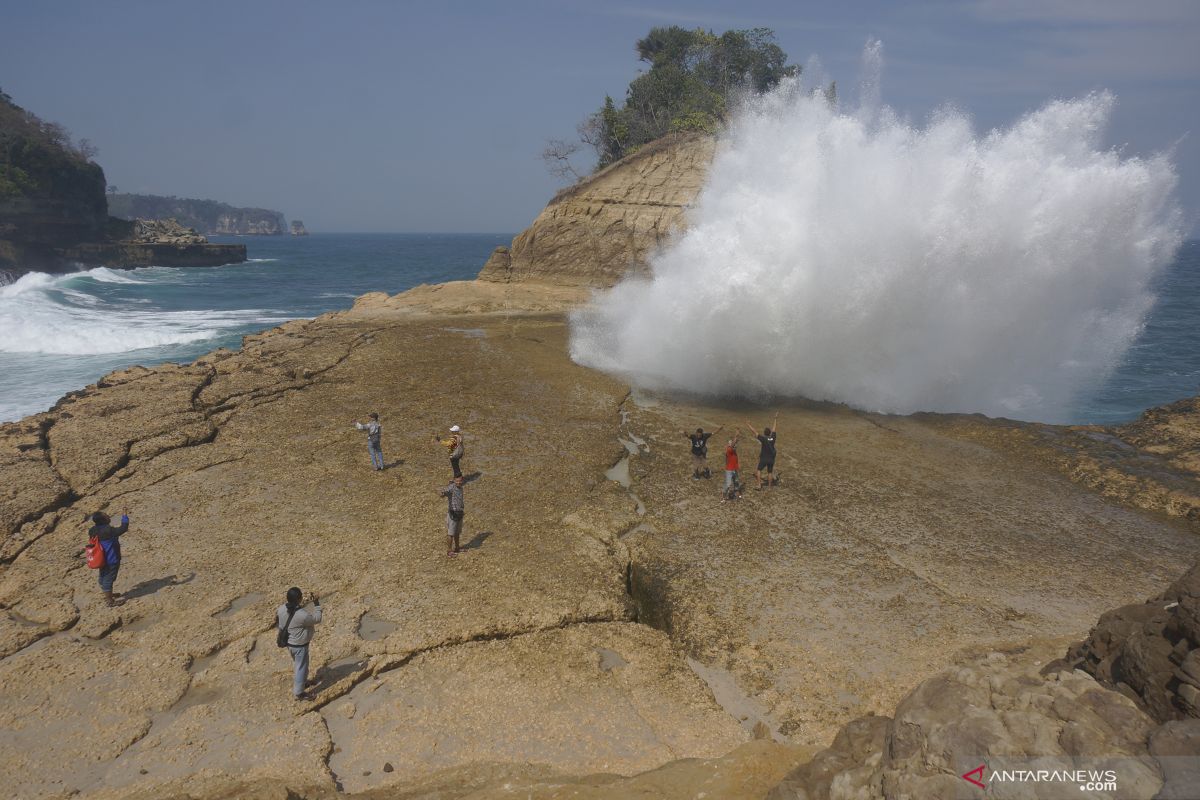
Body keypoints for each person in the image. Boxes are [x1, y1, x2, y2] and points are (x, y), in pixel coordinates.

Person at [278, 587, 323, 701]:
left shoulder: (281, 609)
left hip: (289, 643)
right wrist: (316, 603)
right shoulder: (301, 615)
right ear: (299, 599)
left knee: (300, 665)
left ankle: (303, 682)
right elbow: (317, 618)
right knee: (301, 667)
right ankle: (299, 693)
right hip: (299, 646)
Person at [88, 511, 130, 607]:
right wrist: (124, 516)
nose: (109, 516)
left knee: (103, 576)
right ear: (103, 520)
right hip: (111, 558)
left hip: (100, 557)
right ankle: (109, 600)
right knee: (108, 578)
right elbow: (123, 528)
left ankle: (108, 593)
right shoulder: (108, 530)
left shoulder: (92, 530)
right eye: (107, 516)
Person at [745, 414, 779, 489]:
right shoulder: (772, 438)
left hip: (764, 458)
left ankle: (759, 485)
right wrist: (775, 418)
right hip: (771, 459)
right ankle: (769, 487)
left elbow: (754, 432)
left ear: (764, 433)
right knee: (770, 472)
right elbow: (774, 428)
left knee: (759, 470)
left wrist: (748, 424)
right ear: (770, 433)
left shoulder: (763, 439)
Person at [439, 474, 465, 556]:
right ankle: (449, 551)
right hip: (452, 513)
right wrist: (442, 493)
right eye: (457, 481)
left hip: (459, 513)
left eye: (460, 481)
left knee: (457, 532)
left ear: (462, 480)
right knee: (451, 533)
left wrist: (462, 510)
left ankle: (457, 548)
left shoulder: (461, 488)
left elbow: (460, 500)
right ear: (454, 480)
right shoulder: (451, 487)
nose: (458, 482)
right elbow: (444, 493)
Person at [722, 435, 743, 502]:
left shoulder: (734, 451)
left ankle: (738, 495)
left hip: (734, 470)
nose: (735, 446)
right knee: (728, 484)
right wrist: (736, 437)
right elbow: (732, 445)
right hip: (729, 470)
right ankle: (723, 498)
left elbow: (735, 444)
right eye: (733, 445)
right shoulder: (729, 450)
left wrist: (736, 440)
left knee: (736, 483)